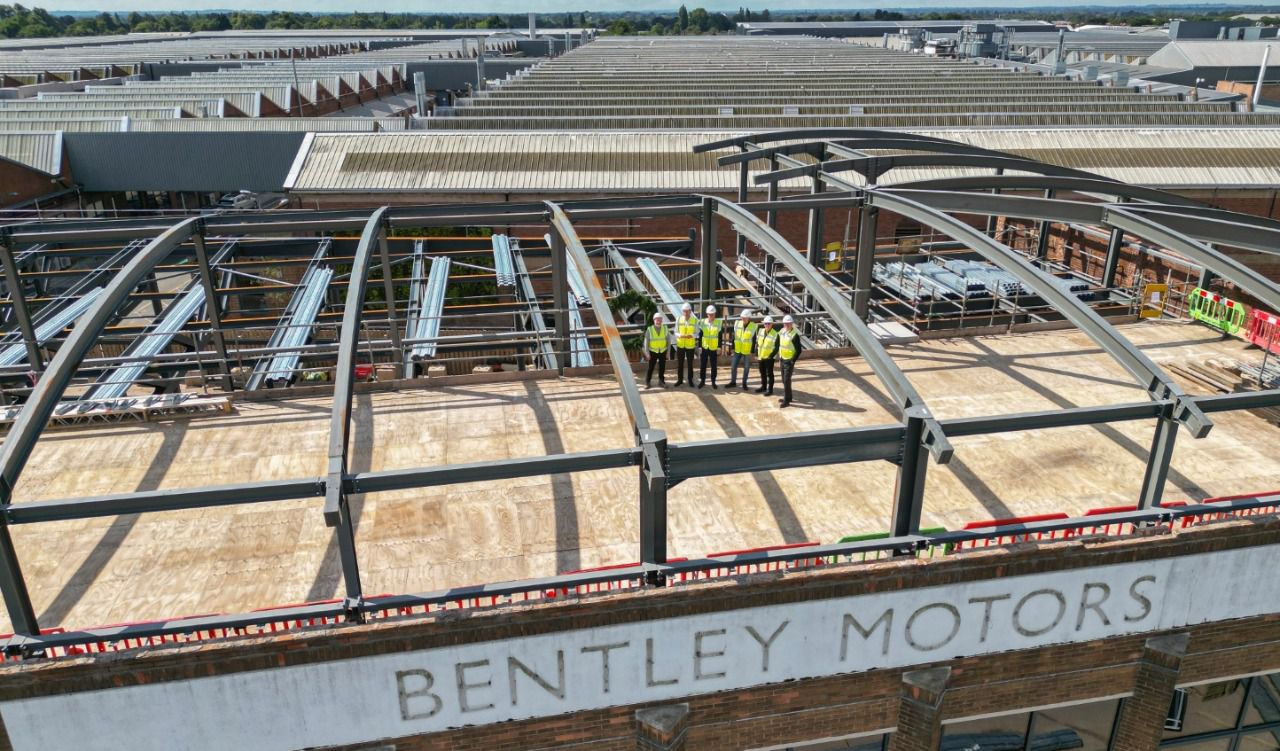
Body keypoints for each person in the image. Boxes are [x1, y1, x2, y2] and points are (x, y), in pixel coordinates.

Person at [728, 309, 757, 390]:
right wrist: (732, 348)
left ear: (749, 318)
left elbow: (754, 340)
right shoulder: (737, 324)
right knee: (733, 366)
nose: (743, 319)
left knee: (746, 368)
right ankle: (733, 382)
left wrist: (752, 352)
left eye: (745, 317)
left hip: (747, 351)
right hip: (737, 349)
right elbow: (734, 337)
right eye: (742, 317)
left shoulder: (753, 326)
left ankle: (744, 383)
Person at [778, 314, 803, 408]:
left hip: (789, 361)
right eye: (785, 324)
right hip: (782, 359)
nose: (786, 325)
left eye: (788, 324)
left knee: (786, 380)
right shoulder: (782, 332)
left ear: (792, 324)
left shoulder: (794, 335)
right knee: (784, 380)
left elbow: (799, 350)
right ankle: (789, 397)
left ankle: (786, 400)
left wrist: (793, 361)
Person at [697, 304, 723, 389]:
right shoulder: (703, 322)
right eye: (709, 314)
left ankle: (713, 382)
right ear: (707, 314)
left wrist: (719, 347)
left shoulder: (718, 323)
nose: (711, 316)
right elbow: (700, 335)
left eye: (712, 314)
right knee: (703, 365)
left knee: (713, 366)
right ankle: (702, 381)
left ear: (715, 314)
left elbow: (720, 336)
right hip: (704, 347)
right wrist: (700, 347)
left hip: (713, 348)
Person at [643, 312, 670, 389]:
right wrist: (647, 354)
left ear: (662, 320)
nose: (658, 321)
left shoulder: (665, 328)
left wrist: (668, 352)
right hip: (652, 352)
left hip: (662, 351)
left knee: (662, 367)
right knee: (650, 367)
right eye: (657, 319)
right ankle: (647, 382)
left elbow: (669, 341)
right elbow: (646, 342)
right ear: (654, 320)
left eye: (660, 319)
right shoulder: (650, 329)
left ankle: (661, 382)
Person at [674, 302, 697, 387]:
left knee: (690, 364)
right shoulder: (679, 319)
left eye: (687, 311)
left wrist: (691, 336)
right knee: (680, 363)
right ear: (682, 311)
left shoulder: (694, 320)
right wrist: (680, 335)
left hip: (690, 345)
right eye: (684, 311)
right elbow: (675, 332)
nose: (686, 313)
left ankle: (690, 380)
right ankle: (680, 380)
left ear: (690, 311)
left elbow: (697, 333)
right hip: (680, 345)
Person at [754, 316, 779, 396]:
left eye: (769, 324)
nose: (767, 325)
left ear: (772, 324)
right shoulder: (760, 331)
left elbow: (777, 347)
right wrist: (756, 354)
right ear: (763, 324)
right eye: (765, 324)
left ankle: (770, 390)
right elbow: (757, 344)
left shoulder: (775, 334)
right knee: (762, 373)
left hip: (769, 358)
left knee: (769, 374)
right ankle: (763, 387)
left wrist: (771, 356)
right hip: (761, 357)